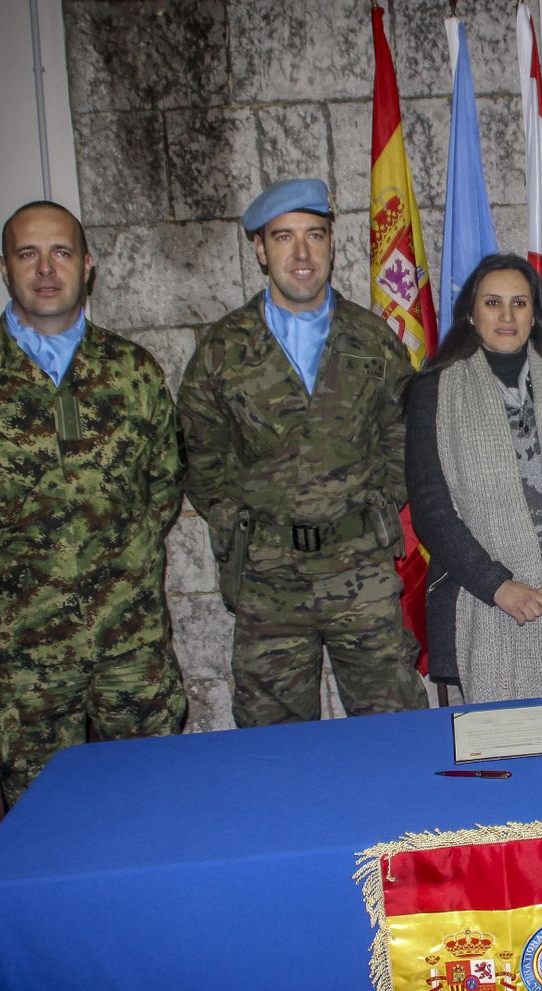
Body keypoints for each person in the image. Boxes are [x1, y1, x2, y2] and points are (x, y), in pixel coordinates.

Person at [0, 200, 187, 805]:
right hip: (25, 654)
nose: (46, 269)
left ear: (87, 265)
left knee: (153, 798)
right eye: (28, 254)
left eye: (61, 252)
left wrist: (122, 557)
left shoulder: (131, 371)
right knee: (41, 814)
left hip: (130, 642)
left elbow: (164, 480)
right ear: (5, 268)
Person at [176, 178, 425, 726]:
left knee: (394, 728)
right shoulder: (223, 350)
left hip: (359, 567)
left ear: (332, 242)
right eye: (283, 237)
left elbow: (403, 433)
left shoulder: (371, 338)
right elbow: (200, 456)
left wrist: (378, 502)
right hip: (269, 579)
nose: (302, 253)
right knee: (275, 743)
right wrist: (243, 522)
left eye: (314, 234)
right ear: (260, 249)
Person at [404, 254, 542, 702]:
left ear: (535, 314)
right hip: (482, 604)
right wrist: (498, 587)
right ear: (471, 313)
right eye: (492, 303)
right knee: (501, 738)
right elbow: (431, 509)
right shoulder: (434, 393)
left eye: (519, 303)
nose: (506, 316)